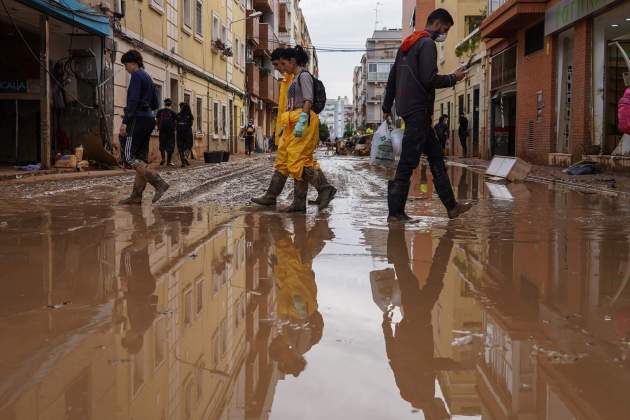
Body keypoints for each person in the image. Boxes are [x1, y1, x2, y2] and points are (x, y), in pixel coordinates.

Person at [382, 9, 471, 222]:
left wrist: (386, 106)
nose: (445, 35)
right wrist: (453, 77)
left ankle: (452, 207)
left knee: (436, 159)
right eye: (446, 30)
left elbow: (393, 78)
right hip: (419, 111)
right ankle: (395, 213)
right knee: (407, 162)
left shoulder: (406, 45)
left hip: (408, 110)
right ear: (439, 24)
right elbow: (429, 79)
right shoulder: (427, 44)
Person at [383, 227, 458, 417]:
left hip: (418, 322)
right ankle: (395, 238)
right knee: (408, 274)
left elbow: (426, 365)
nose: (443, 406)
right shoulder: (408, 394)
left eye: (444, 412)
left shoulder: (423, 395)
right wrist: (386, 328)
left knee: (434, 276)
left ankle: (447, 237)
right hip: (411, 322)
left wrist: (452, 365)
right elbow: (393, 360)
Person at [252, 47, 336, 210]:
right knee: (284, 161)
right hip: (293, 121)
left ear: (292, 61)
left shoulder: (303, 76)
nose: (280, 68)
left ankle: (324, 188)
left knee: (297, 161)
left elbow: (308, 100)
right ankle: (293, 202)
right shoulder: (294, 78)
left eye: (282, 64)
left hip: (302, 120)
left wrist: (302, 120)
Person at [117, 50, 169, 205]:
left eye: (126, 65)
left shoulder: (136, 76)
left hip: (137, 119)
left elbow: (132, 101)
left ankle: (158, 183)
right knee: (140, 159)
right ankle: (136, 196)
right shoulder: (147, 77)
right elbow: (155, 103)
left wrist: (125, 121)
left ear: (132, 63)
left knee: (128, 156)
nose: (125, 68)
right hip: (148, 119)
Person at [156, 98, 177, 166]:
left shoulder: (160, 111)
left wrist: (158, 127)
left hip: (162, 131)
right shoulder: (173, 112)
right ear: (170, 104)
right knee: (170, 146)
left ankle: (163, 158)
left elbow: (157, 120)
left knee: (162, 144)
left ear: (164, 104)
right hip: (170, 132)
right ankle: (169, 161)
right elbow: (176, 121)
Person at [176, 102, 194, 167]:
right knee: (189, 146)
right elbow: (191, 124)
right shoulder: (190, 115)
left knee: (180, 147)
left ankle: (183, 163)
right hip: (188, 133)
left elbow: (175, 124)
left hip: (179, 133)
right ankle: (185, 157)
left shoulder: (178, 115)